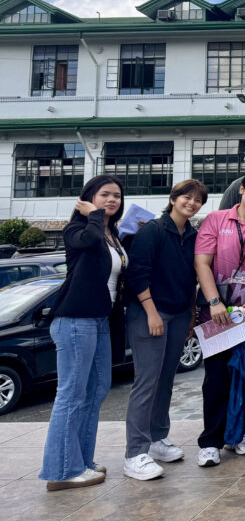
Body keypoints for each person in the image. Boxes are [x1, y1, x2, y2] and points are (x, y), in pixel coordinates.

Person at [39, 175, 125, 492]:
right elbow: (88, 242)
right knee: (72, 394)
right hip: (75, 318)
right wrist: (94, 216)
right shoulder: (77, 230)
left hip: (101, 319)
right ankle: (62, 471)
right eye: (105, 194)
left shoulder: (112, 235)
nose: (112, 200)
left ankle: (82, 461)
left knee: (96, 391)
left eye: (117, 195)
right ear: (88, 198)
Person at [122, 179, 208, 481]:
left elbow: (191, 278)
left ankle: (158, 438)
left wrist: (191, 315)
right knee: (146, 381)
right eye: (187, 197)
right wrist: (151, 312)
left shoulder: (193, 235)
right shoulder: (152, 230)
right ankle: (135, 453)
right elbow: (137, 274)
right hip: (149, 313)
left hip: (179, 314)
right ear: (173, 198)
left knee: (166, 380)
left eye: (198, 200)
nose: (192, 203)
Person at [194, 170, 245, 468]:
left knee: (244, 376)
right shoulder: (216, 220)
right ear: (241, 190)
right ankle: (210, 441)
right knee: (216, 378)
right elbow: (202, 263)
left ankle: (238, 433)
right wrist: (214, 301)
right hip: (216, 316)